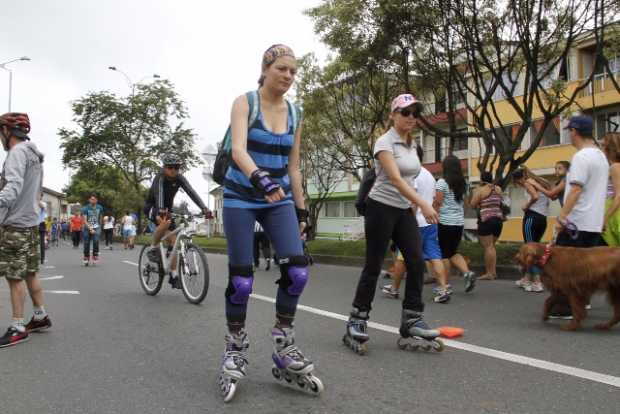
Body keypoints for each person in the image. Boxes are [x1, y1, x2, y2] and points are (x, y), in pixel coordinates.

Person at [217, 44, 322, 402]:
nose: (288, 76)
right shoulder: (245, 102)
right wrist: (261, 179)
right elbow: (238, 151)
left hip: (279, 198)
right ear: (265, 69)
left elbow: (293, 166)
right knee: (243, 279)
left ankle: (283, 343)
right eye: (282, 69)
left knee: (297, 272)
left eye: (293, 71)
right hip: (241, 196)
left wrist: (302, 211)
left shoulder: (296, 112)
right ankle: (234, 345)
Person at [343, 93, 442, 357]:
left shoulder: (411, 144)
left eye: (414, 113)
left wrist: (412, 206)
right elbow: (396, 180)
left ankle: (412, 318)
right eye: (405, 112)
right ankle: (357, 319)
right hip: (380, 209)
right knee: (374, 266)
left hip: (402, 211)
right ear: (393, 115)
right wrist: (424, 203)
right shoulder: (384, 142)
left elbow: (408, 180)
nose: (411, 117)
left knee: (416, 261)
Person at [549, 115, 609, 319]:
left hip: (576, 222)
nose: (568, 135)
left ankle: (565, 309)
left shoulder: (582, 157)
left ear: (574, 132)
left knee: (564, 268)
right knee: (584, 270)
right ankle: (582, 303)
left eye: (569, 131)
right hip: (592, 223)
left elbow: (575, 190)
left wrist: (561, 219)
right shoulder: (601, 156)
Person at [0, 113, 52, 348]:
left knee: (14, 277)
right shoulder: (34, 154)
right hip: (31, 223)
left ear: (6, 131)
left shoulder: (16, 153)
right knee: (31, 272)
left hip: (16, 224)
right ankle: (40, 316)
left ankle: (17, 327)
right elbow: (38, 192)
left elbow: (11, 190)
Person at [381, 145, 451, 303]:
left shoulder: (412, 174)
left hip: (414, 224)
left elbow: (413, 202)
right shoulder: (429, 175)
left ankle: (394, 289)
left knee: (401, 258)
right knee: (435, 255)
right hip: (430, 222)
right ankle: (443, 289)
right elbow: (433, 200)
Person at [144, 154, 209, 289]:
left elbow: (191, 192)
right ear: (164, 167)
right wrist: (161, 209)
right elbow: (159, 193)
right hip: (153, 206)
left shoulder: (179, 178)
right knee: (165, 222)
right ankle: (152, 248)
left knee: (174, 243)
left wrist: (204, 208)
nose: (173, 170)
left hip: (167, 209)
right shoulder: (160, 178)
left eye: (177, 167)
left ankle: (174, 275)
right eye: (170, 167)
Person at [434, 155, 476, 292]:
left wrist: (433, 216)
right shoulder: (465, 183)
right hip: (458, 223)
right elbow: (466, 205)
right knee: (453, 252)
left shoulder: (442, 182)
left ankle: (444, 285)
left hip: (445, 223)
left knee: (444, 254)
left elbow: (438, 203)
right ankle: (467, 273)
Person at [512, 168, 549, 292]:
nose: (519, 185)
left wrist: (526, 206)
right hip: (542, 219)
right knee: (535, 251)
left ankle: (537, 282)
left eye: (517, 183)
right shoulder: (540, 181)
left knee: (529, 252)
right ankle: (527, 278)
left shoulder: (528, 183)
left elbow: (535, 196)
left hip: (531, 218)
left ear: (518, 179)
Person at [470, 171, 504, 281]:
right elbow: (500, 201)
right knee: (492, 246)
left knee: (488, 247)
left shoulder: (480, 190)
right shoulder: (498, 189)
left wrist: (475, 193)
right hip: (498, 220)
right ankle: (493, 272)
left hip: (487, 220)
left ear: (481, 179)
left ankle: (489, 273)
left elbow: (472, 204)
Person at [602, 132, 620, 246]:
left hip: (615, 214)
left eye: (603, 145)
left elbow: (619, 195)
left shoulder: (615, 167)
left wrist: (605, 218)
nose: (601, 148)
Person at [81, 194, 104, 265]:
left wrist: (100, 226)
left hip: (96, 227)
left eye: (94, 199)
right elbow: (84, 220)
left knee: (96, 241)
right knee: (86, 243)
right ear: (89, 200)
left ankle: (95, 255)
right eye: (91, 199)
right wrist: (90, 228)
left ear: (96, 200)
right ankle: (86, 257)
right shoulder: (85, 208)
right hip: (87, 227)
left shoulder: (100, 207)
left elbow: (100, 217)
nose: (93, 200)